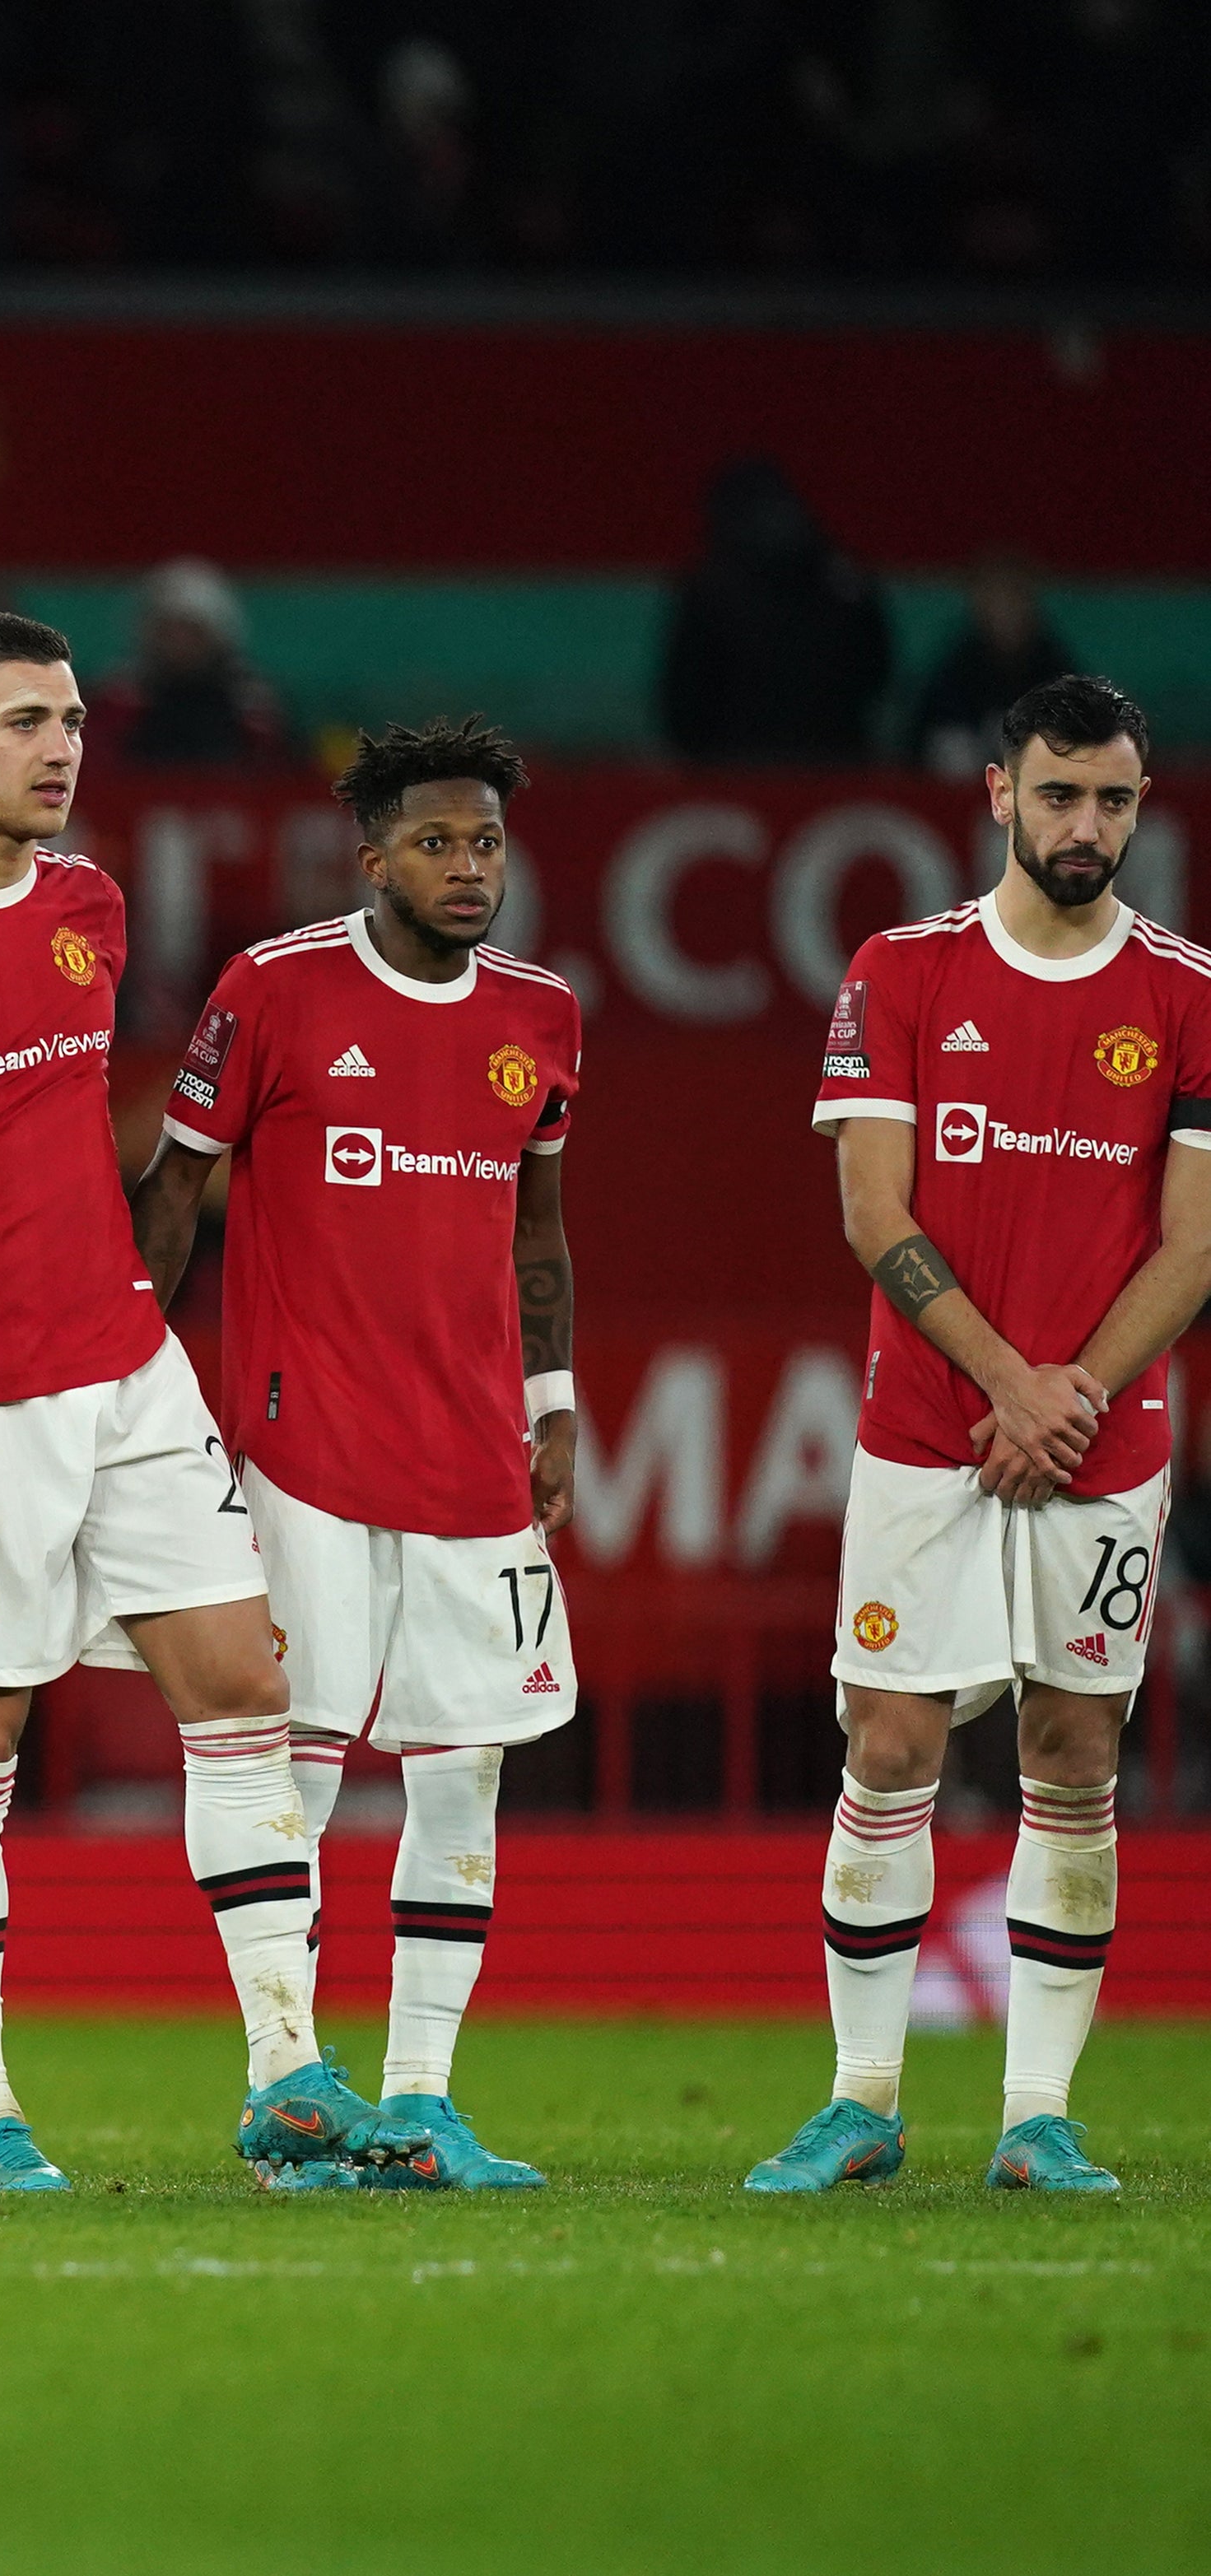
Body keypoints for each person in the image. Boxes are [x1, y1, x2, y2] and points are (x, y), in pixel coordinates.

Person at [0, 609, 409, 2193]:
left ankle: (286, 2075)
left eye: (66, 719)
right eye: (23, 722)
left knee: (243, 1685)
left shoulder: (89, 906)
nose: (58, 747)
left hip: (125, 1368)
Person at [129, 718, 586, 2191]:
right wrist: (129, 1384)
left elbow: (536, 1226)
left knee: (463, 1773)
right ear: (370, 853)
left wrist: (555, 1399)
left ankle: (422, 2095)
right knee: (299, 1760)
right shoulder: (272, 990)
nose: (469, 868)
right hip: (303, 1441)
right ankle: (289, 2078)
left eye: (487, 843)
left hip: (470, 1454)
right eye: (438, 842)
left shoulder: (539, 1015)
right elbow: (174, 1191)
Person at [761, 676, 1200, 2197]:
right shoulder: (898, 969)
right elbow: (868, 1207)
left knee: (1070, 1755)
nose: (1087, 825)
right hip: (923, 1431)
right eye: (1060, 792)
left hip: (1105, 1440)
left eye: (1115, 799)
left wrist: (1061, 1392)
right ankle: (860, 2097)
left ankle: (1035, 2113)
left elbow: (1194, 1246)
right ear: (996, 793)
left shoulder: (1186, 992)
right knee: (885, 1746)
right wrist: (1007, 1379)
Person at [659, 454, 896, 765]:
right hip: (834, 765)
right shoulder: (847, 579)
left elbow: (684, 698)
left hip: (736, 771)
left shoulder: (710, 588)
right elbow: (878, 674)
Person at [905, 555, 1083, 776]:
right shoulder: (960, 658)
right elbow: (932, 720)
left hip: (1033, 770)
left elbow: (1074, 716)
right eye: (996, 597)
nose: (1006, 609)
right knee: (955, 750)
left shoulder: (1050, 659)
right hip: (972, 761)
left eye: (1014, 596)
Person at [102, 558, 291, 766]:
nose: (179, 644)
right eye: (168, 632)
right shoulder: (120, 702)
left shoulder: (251, 707)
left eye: (192, 632)